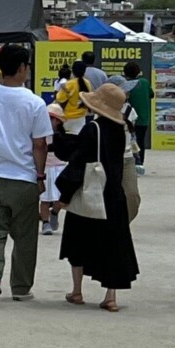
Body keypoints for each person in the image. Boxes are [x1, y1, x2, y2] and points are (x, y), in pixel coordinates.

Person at [0, 44, 53, 307]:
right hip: (23, 177)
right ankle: (20, 287)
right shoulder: (35, 102)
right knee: (25, 237)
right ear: (21, 68)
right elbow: (40, 144)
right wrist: (40, 175)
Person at [60, 81, 140, 310]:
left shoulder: (91, 128)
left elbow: (78, 162)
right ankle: (111, 296)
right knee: (113, 244)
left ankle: (77, 291)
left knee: (77, 240)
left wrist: (64, 195)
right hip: (113, 194)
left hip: (91, 192)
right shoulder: (120, 130)